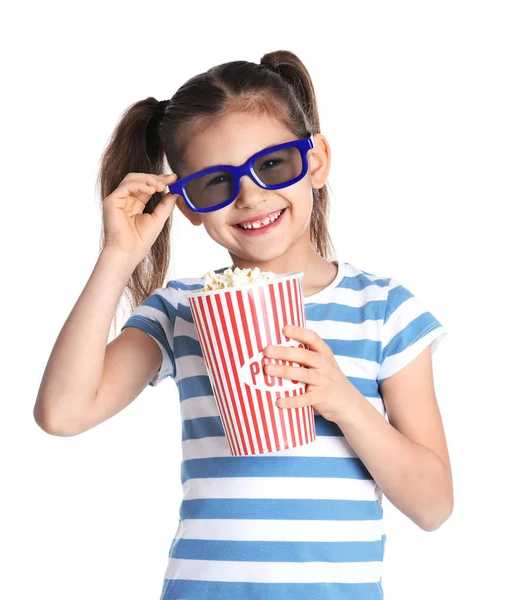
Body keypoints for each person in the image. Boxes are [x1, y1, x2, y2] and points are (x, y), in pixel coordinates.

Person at [34, 50, 453, 600]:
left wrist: (343, 401)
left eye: (273, 164)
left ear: (317, 160)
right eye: (215, 183)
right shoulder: (181, 310)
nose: (250, 196)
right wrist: (118, 254)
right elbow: (62, 414)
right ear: (186, 205)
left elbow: (433, 506)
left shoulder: (382, 309)